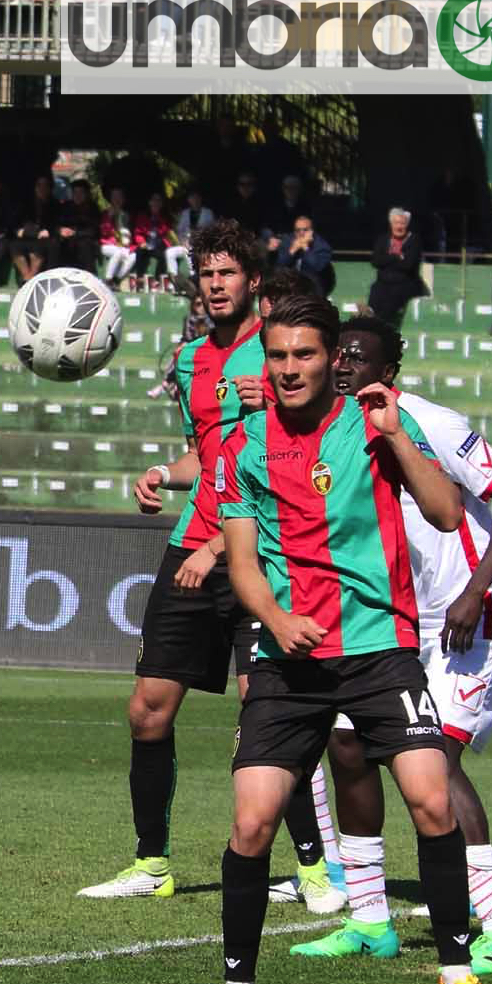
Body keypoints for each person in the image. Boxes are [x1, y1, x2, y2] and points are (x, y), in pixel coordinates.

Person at [205, 292, 492, 984]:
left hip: (379, 651)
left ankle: (456, 975)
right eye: (276, 356)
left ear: (330, 356)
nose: (288, 369)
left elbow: (444, 512)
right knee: (251, 823)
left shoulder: (375, 423)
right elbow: (243, 563)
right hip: (288, 662)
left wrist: (396, 439)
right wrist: (277, 620)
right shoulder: (243, 444)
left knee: (432, 800)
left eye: (304, 355)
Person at [80, 220, 337, 911]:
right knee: (146, 709)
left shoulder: (282, 351)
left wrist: (220, 546)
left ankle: (316, 869)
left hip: (259, 551)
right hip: (193, 543)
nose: (216, 284)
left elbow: (296, 458)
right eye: (207, 273)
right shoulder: (192, 357)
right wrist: (165, 471)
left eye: (228, 273)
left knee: (266, 712)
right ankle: (151, 860)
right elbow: (210, 451)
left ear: (253, 281)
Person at [292, 315, 492, 976]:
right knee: (346, 742)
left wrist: (476, 587)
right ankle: (370, 918)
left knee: (434, 760)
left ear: (388, 372)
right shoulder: (334, 431)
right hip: (392, 622)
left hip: (469, 614)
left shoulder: (430, 421)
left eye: (358, 356)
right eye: (337, 354)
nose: (343, 365)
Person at [368, 207, 427, 323]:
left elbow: (408, 265)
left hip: (406, 283)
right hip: (383, 281)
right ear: (391, 224)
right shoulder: (383, 239)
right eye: (396, 223)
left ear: (407, 224)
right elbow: (376, 261)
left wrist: (387, 260)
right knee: (375, 291)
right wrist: (396, 257)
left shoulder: (414, 240)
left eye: (402, 223)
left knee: (392, 298)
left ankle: (379, 325)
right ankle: (371, 319)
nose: (399, 227)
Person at [268, 215, 334, 296]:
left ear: (312, 231)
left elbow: (316, 267)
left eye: (305, 230)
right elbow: (279, 265)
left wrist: (306, 248)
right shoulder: (287, 241)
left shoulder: (322, 246)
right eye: (298, 230)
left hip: (313, 289)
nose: (301, 233)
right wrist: (292, 250)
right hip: (289, 287)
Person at [10, 175, 58, 283]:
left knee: (38, 247)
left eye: (45, 185)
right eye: (39, 185)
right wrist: (19, 230)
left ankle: (29, 279)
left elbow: (55, 224)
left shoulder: (54, 204)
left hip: (45, 239)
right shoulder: (26, 203)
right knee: (14, 245)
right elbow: (18, 222)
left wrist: (48, 231)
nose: (42, 188)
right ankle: (27, 275)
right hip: (29, 235)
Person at [98, 185, 138, 285]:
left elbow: (130, 234)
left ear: (123, 199)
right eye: (114, 196)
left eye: (119, 196)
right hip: (106, 245)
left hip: (123, 246)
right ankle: (107, 279)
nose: (117, 199)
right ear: (110, 198)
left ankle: (116, 279)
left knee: (133, 256)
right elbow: (103, 232)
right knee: (118, 252)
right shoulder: (105, 213)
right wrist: (110, 217)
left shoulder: (127, 215)